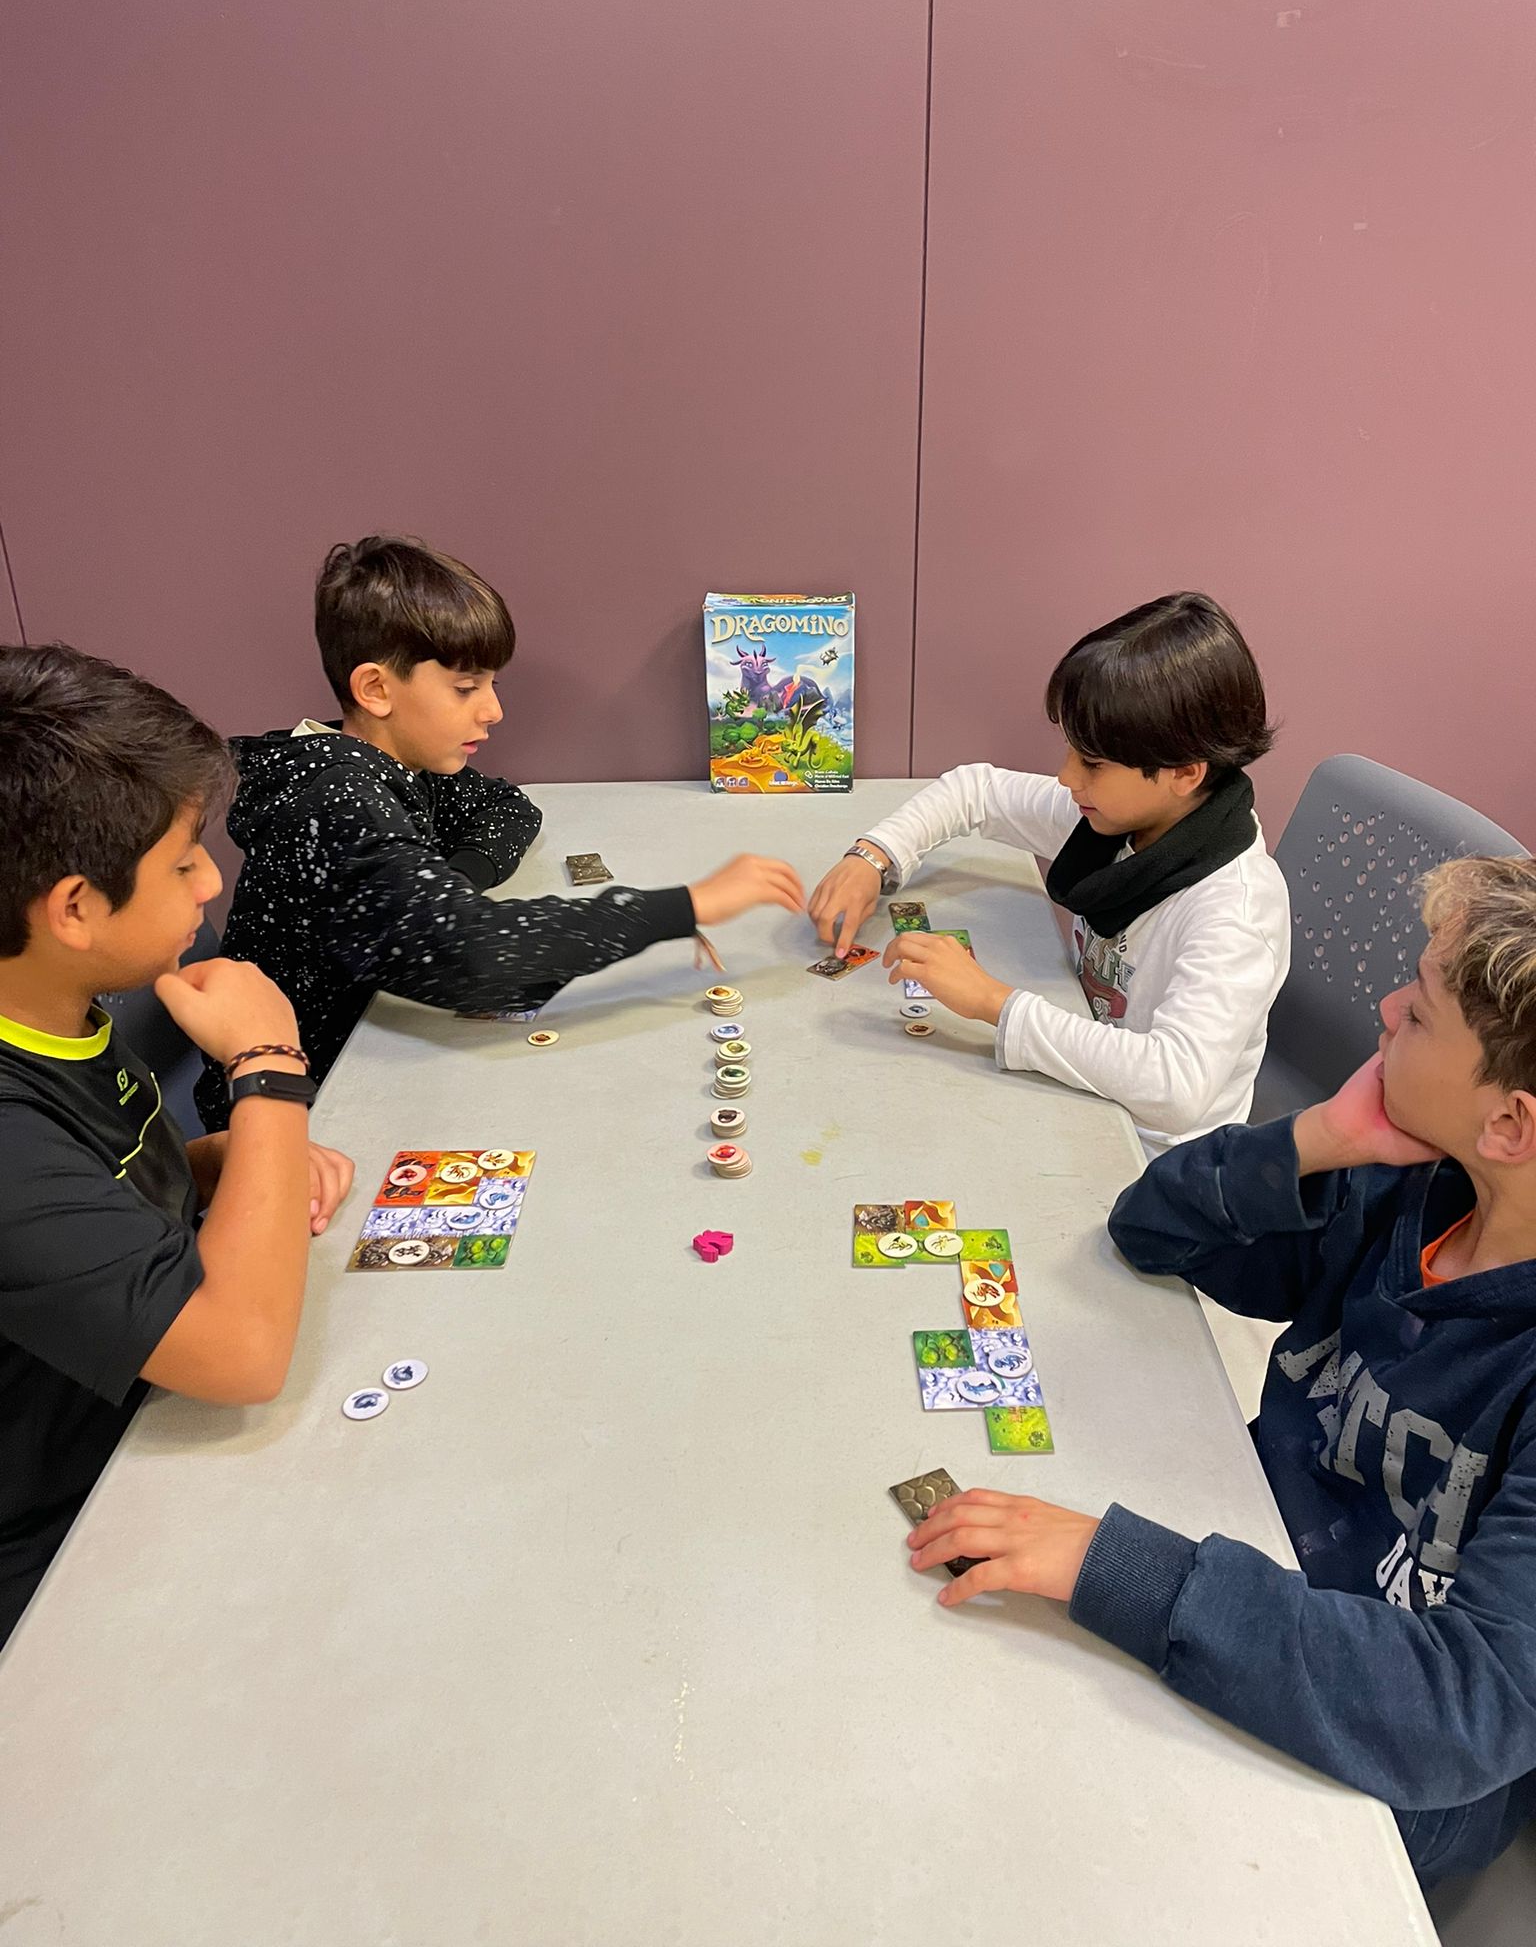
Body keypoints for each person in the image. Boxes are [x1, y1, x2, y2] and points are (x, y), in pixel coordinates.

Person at [904, 854, 1536, 1884]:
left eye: (1418, 1013)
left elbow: (1466, 1710)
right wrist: (1320, 1137)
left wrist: (1124, 1569)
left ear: (1509, 1123)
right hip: (1242, 1559)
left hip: (1388, 1758)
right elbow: (1152, 1227)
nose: (1384, 1010)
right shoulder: (1411, 1182)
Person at [196, 537, 803, 1126]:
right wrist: (684, 905)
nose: (493, 710)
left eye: (491, 685)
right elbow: (478, 955)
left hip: (372, 1052)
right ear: (376, 689)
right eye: (466, 688)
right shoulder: (336, 798)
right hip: (303, 1109)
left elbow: (508, 808)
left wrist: (446, 885)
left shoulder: (393, 759)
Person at [0, 644, 353, 1646]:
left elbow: (93, 1187)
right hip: (62, 1546)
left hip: (143, 1432)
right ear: (74, 908)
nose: (209, 884)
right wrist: (269, 1066)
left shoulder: (51, 1006)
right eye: (184, 859)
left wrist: (225, 1164)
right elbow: (242, 1355)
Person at [808, 593, 1288, 1151]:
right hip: (1081, 1091)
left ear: (1184, 773)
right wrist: (873, 856)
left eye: (1092, 763)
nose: (1066, 777)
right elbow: (974, 791)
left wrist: (992, 1001)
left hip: (1153, 1161)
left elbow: (1175, 1087)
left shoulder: (1236, 913)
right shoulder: (1129, 816)